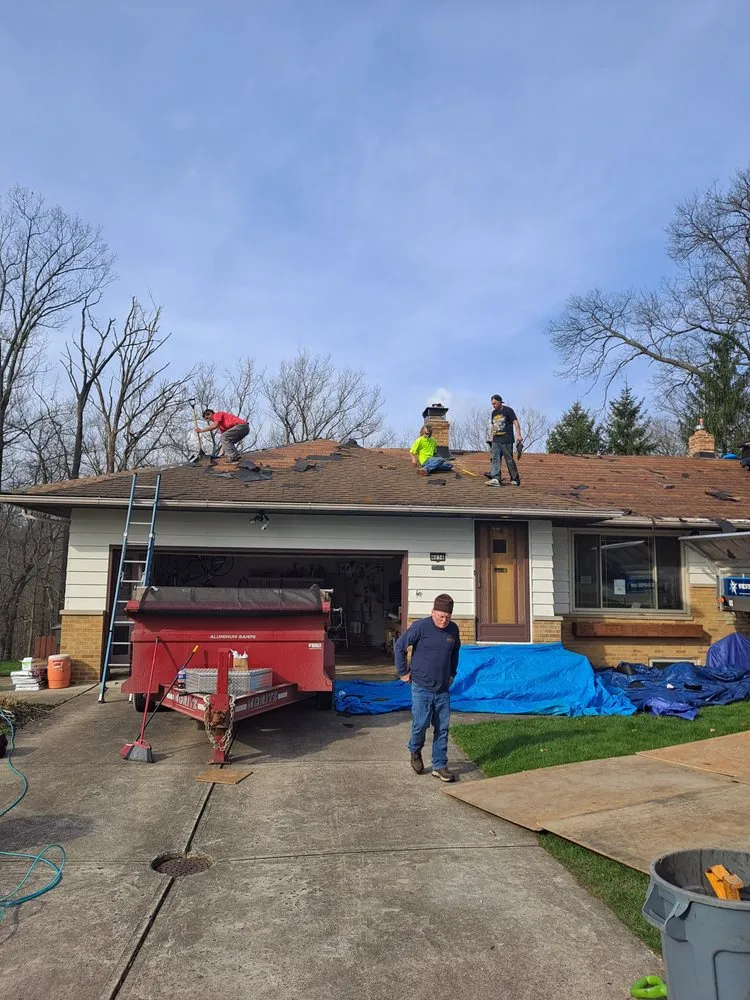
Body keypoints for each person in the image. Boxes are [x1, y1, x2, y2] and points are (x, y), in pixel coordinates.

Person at [394, 593, 461, 782]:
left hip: (442, 689)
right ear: (432, 612)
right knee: (420, 724)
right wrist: (402, 672)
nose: (444, 620)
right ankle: (415, 751)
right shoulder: (420, 627)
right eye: (440, 615)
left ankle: (439, 765)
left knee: (443, 728)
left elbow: (455, 652)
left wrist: (452, 674)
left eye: (447, 617)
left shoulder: (453, 630)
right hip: (421, 687)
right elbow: (400, 646)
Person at [486, 394, 522, 487]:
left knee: (509, 460)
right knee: (495, 459)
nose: (493, 405)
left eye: (494, 403)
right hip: (496, 440)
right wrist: (490, 437)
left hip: (507, 439)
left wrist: (519, 435)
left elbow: (515, 422)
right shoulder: (493, 413)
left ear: (499, 402)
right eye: (492, 404)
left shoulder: (508, 410)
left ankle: (515, 479)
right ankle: (496, 479)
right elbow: (493, 425)